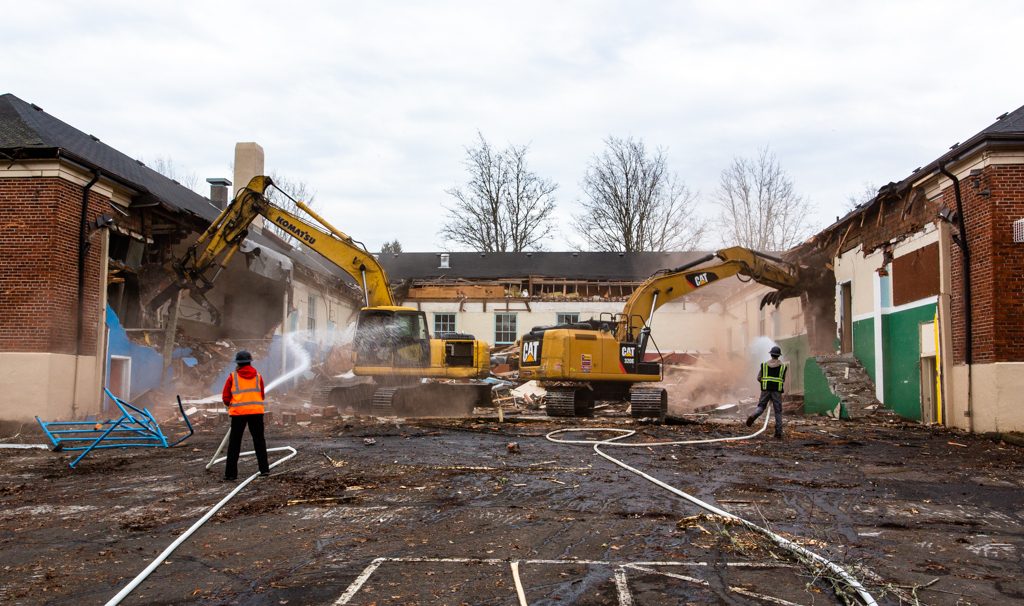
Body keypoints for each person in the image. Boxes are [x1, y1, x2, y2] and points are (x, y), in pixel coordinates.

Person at [222, 350, 270, 480]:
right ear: (250, 362)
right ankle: (264, 470)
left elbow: (226, 397)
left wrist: (231, 404)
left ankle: (231, 474)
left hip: (238, 414)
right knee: (259, 441)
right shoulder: (258, 376)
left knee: (234, 444)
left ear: (238, 363)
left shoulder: (233, 377)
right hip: (256, 413)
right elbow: (261, 395)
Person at [746, 345, 787, 439]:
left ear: (771, 355)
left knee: (761, 407)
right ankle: (778, 433)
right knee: (778, 411)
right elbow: (783, 379)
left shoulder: (764, 365)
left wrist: (766, 383)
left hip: (765, 390)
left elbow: (758, 378)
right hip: (777, 391)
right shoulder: (783, 367)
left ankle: (753, 416)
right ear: (778, 355)